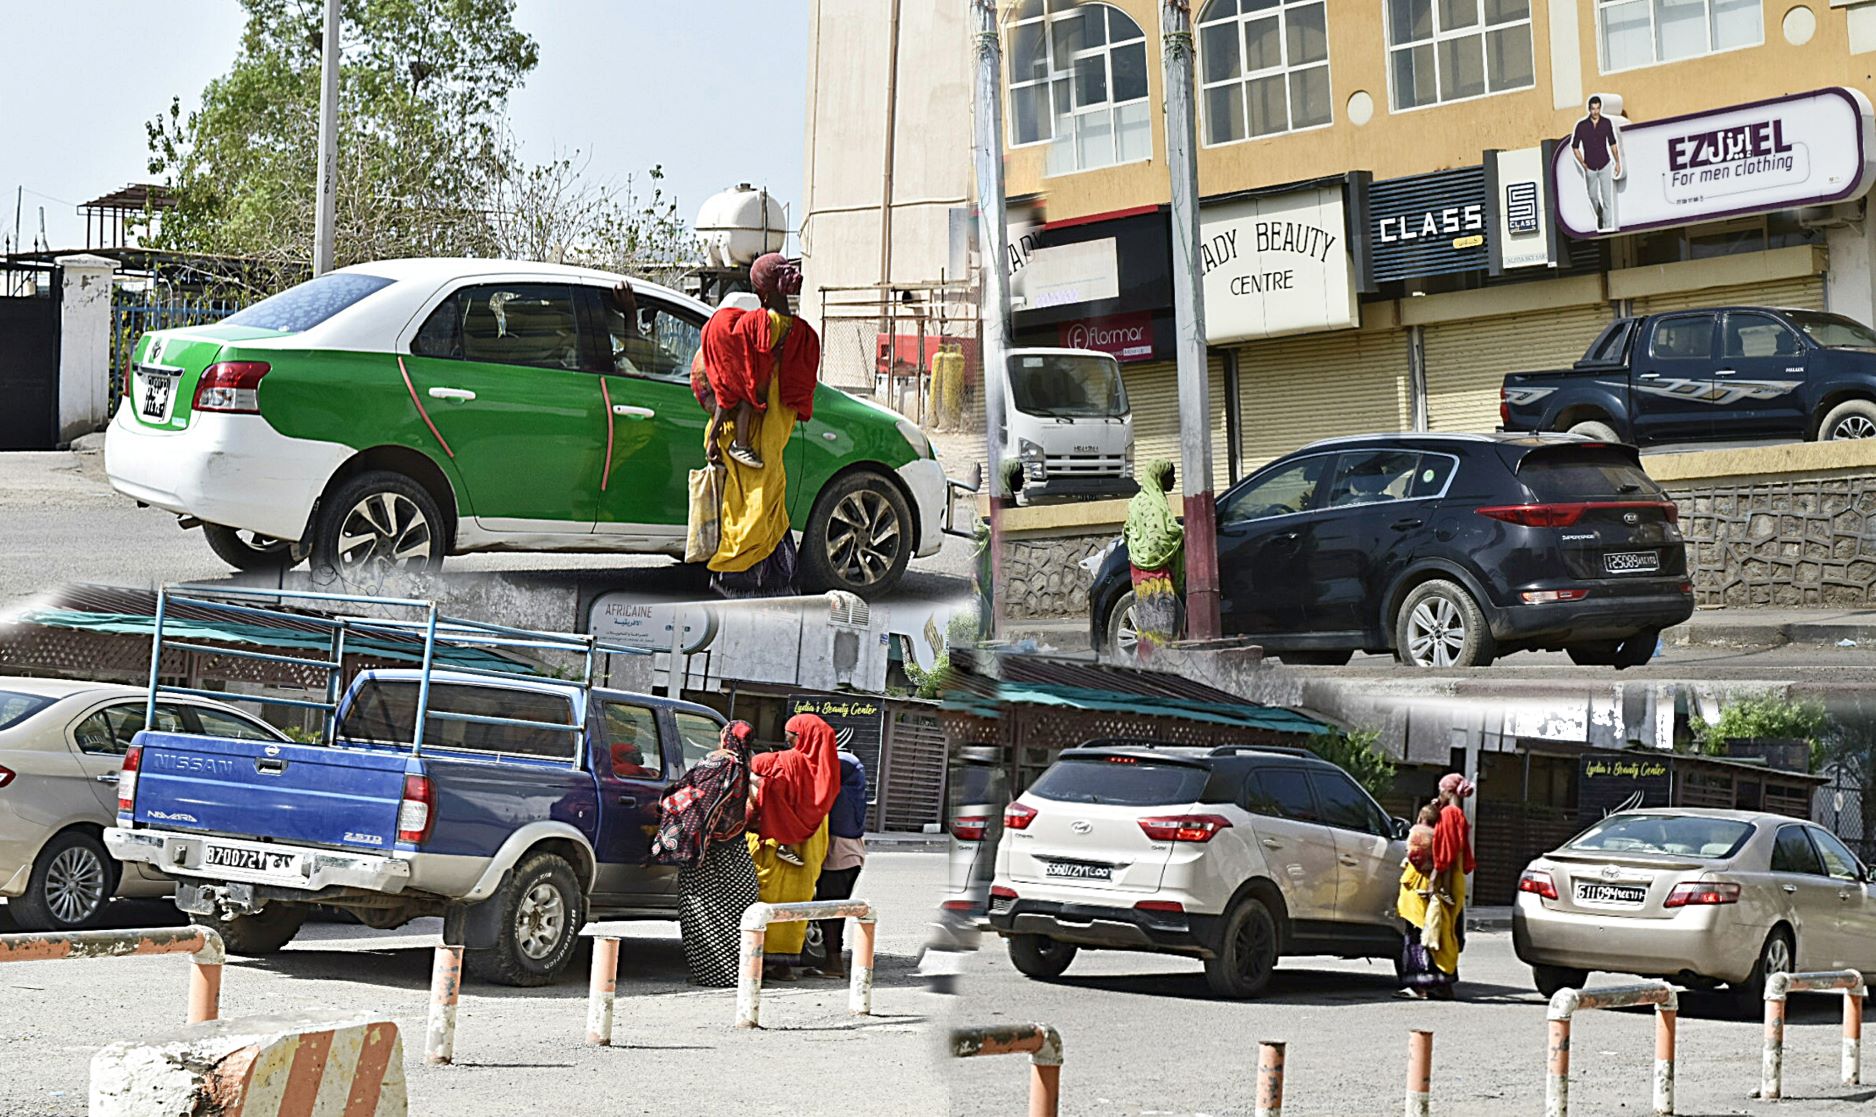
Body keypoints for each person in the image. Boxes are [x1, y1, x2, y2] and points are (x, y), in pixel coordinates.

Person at [694, 253, 821, 596]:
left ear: (761, 293)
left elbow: (731, 386)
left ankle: (736, 576)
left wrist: (715, 433)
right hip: (773, 435)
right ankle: (775, 575)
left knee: (748, 503)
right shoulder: (802, 334)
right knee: (771, 497)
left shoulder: (752, 328)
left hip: (744, 437)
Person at [649, 721, 758, 987]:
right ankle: (737, 975)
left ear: (724, 738)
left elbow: (691, 794)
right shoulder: (744, 765)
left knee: (701, 911)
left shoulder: (717, 763)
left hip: (707, 853)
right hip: (734, 851)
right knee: (737, 911)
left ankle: (713, 974)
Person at [746, 713, 843, 980]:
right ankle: (785, 962)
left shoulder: (784, 761)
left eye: (790, 734)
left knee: (768, 897)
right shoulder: (829, 770)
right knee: (798, 899)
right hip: (812, 841)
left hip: (778, 836)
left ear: (802, 737)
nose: (786, 739)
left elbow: (759, 770)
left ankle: (763, 958)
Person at [809, 749, 869, 978]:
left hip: (842, 852)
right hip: (845, 851)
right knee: (830, 907)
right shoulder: (847, 772)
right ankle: (832, 959)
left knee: (831, 908)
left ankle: (834, 962)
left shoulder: (844, 766)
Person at [1123, 458, 1185, 656]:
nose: (1174, 481)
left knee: (1147, 621)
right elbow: (1161, 538)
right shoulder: (1154, 505)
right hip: (1156, 572)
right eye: (1170, 477)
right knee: (1163, 619)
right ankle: (1163, 661)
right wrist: (1183, 533)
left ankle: (1147, 660)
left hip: (1138, 571)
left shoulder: (1136, 502)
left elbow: (1127, 531)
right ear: (1159, 478)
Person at [1572, 96, 1622, 233]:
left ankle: (1607, 227)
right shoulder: (1582, 126)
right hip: (1590, 166)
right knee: (1592, 196)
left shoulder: (1606, 123)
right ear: (1589, 109)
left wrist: (1617, 162)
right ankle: (1599, 213)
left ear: (1600, 108)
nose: (1595, 111)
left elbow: (1612, 143)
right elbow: (1575, 146)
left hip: (1605, 163)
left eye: (1598, 108)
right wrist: (1582, 163)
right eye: (1593, 109)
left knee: (1607, 197)